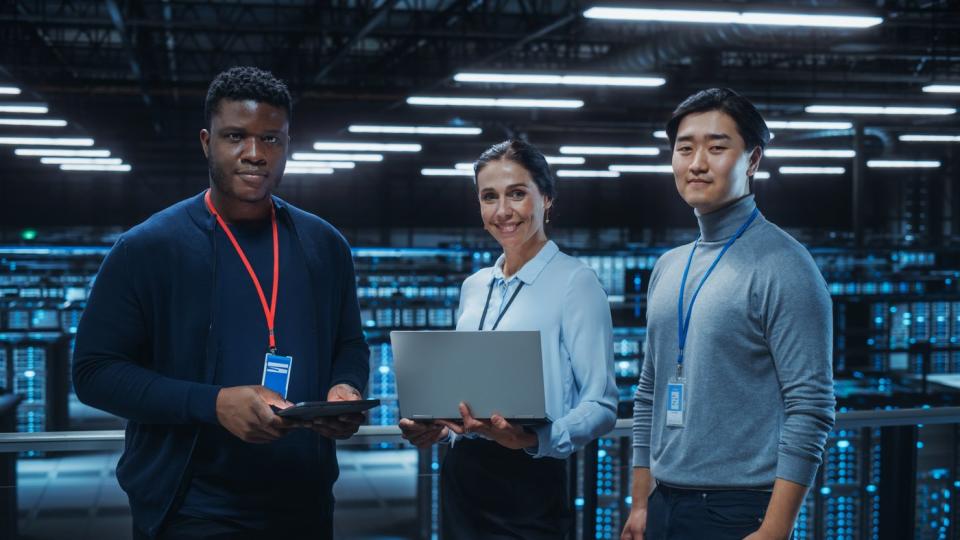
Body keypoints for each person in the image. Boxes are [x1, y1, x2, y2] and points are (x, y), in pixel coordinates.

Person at [72, 66, 370, 540]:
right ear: (207, 142)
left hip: (304, 503)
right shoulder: (147, 248)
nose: (255, 154)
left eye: (271, 139)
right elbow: (93, 372)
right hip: (192, 508)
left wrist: (345, 389)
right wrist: (212, 404)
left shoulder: (324, 245)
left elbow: (350, 344)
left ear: (288, 144)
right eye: (237, 136)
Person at [621, 88, 836, 540]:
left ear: (752, 160)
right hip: (663, 501)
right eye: (685, 148)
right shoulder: (668, 266)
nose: (697, 162)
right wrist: (641, 502)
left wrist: (775, 529)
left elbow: (810, 406)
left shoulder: (785, 266)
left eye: (717, 147)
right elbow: (648, 393)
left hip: (739, 511)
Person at [399, 139, 619, 539]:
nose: (502, 211)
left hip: (527, 478)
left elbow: (602, 403)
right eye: (489, 197)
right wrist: (437, 425)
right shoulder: (474, 286)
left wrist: (535, 438)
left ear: (547, 198)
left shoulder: (576, 283)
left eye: (517, 194)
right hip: (462, 476)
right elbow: (465, 393)